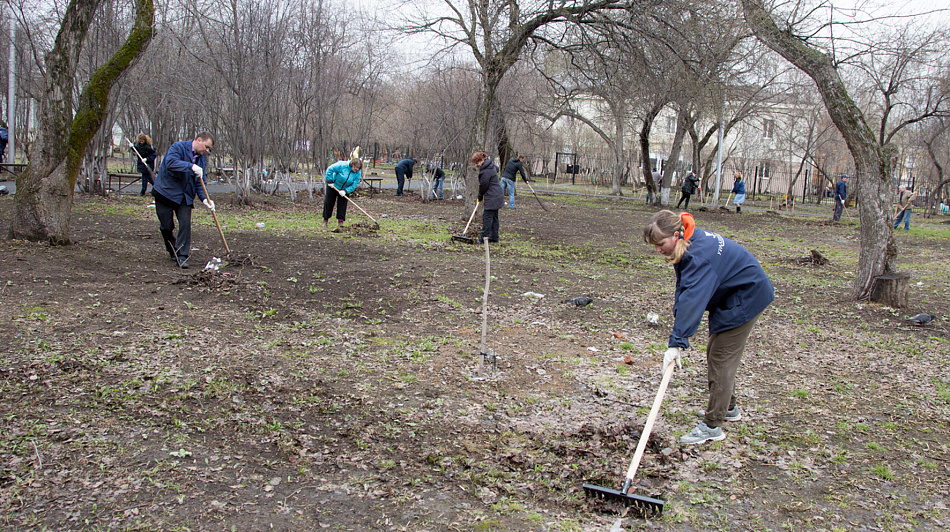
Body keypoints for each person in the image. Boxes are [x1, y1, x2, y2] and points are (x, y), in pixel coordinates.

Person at [643, 210, 774, 444]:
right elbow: (685, 290)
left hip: (747, 296)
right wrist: (678, 331)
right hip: (732, 294)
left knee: (721, 358)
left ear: (675, 235)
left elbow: (693, 299)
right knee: (716, 353)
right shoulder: (688, 241)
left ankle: (713, 425)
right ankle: (729, 407)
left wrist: (677, 342)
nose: (658, 249)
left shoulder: (699, 256)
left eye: (660, 244)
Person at [152, 132, 216, 269]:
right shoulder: (178, 147)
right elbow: (170, 163)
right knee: (166, 227)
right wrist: (190, 166)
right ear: (199, 140)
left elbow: (200, 182)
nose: (207, 150)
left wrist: (205, 199)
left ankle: (182, 255)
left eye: (208, 148)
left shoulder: (201, 160)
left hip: (184, 196)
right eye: (206, 146)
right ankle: (172, 249)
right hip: (165, 193)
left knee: (185, 225)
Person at [472, 151, 503, 243]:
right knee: (494, 217)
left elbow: (483, 185)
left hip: (492, 196)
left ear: (482, 160)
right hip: (497, 194)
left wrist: (480, 196)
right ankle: (494, 237)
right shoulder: (491, 165)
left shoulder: (485, 171)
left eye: (477, 163)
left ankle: (483, 238)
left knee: (488, 218)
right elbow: (497, 169)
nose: (476, 165)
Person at [323, 157, 363, 228]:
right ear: (352, 164)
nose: (356, 169)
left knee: (342, 206)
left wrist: (346, 191)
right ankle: (325, 220)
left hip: (344, 189)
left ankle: (340, 222)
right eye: (355, 167)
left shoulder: (357, 173)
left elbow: (355, 184)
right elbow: (330, 169)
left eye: (358, 168)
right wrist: (329, 181)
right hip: (333, 186)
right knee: (329, 203)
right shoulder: (342, 165)